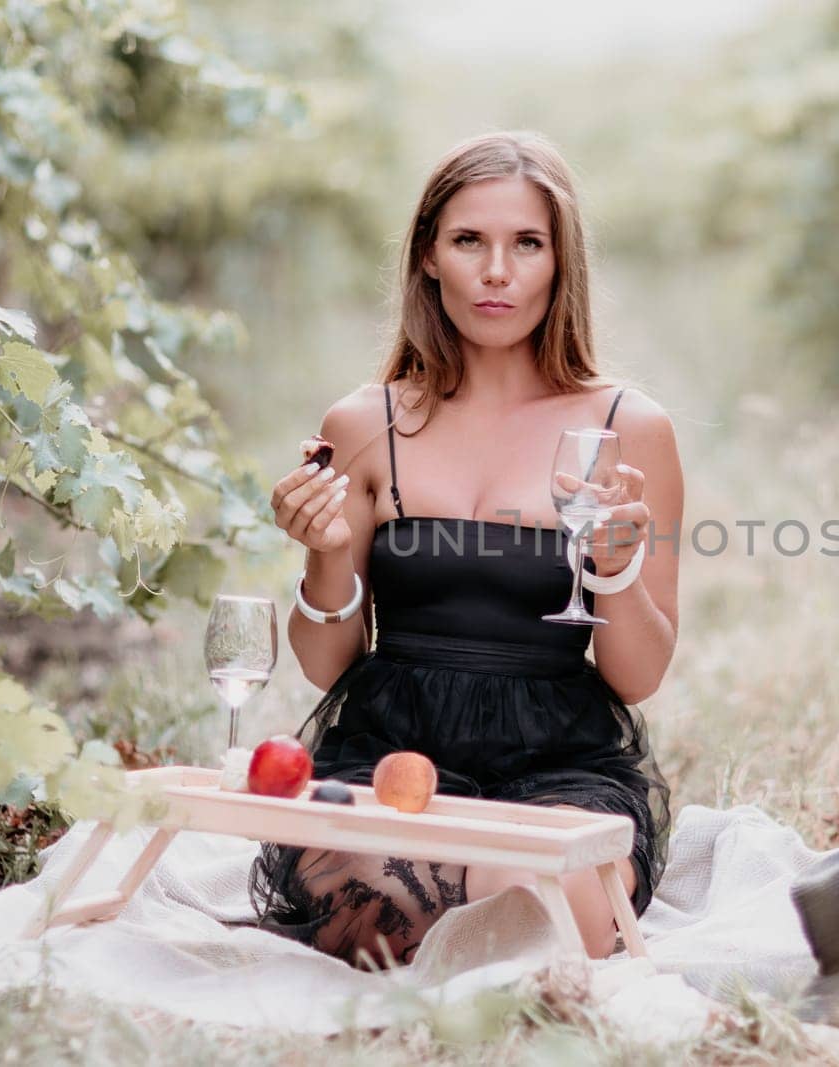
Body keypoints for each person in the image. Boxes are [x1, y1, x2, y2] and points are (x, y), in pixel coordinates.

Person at [249, 131, 683, 968]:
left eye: (526, 243)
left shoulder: (630, 428)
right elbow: (327, 661)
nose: (496, 271)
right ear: (427, 259)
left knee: (568, 898)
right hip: (392, 753)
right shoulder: (364, 423)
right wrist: (327, 552)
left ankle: (499, 915)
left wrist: (617, 568)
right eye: (468, 241)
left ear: (561, 264)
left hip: (559, 756)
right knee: (371, 914)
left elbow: (638, 675)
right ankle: (484, 929)